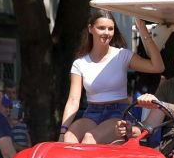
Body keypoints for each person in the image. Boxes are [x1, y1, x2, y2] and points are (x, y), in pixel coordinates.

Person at [60, 10, 164, 144]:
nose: (107, 33)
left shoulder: (122, 55)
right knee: (68, 139)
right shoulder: (79, 63)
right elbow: (73, 100)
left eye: (110, 29)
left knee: (89, 139)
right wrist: (63, 131)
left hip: (118, 113)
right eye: (101, 28)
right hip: (92, 113)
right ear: (90, 28)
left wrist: (142, 30)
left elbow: (157, 67)